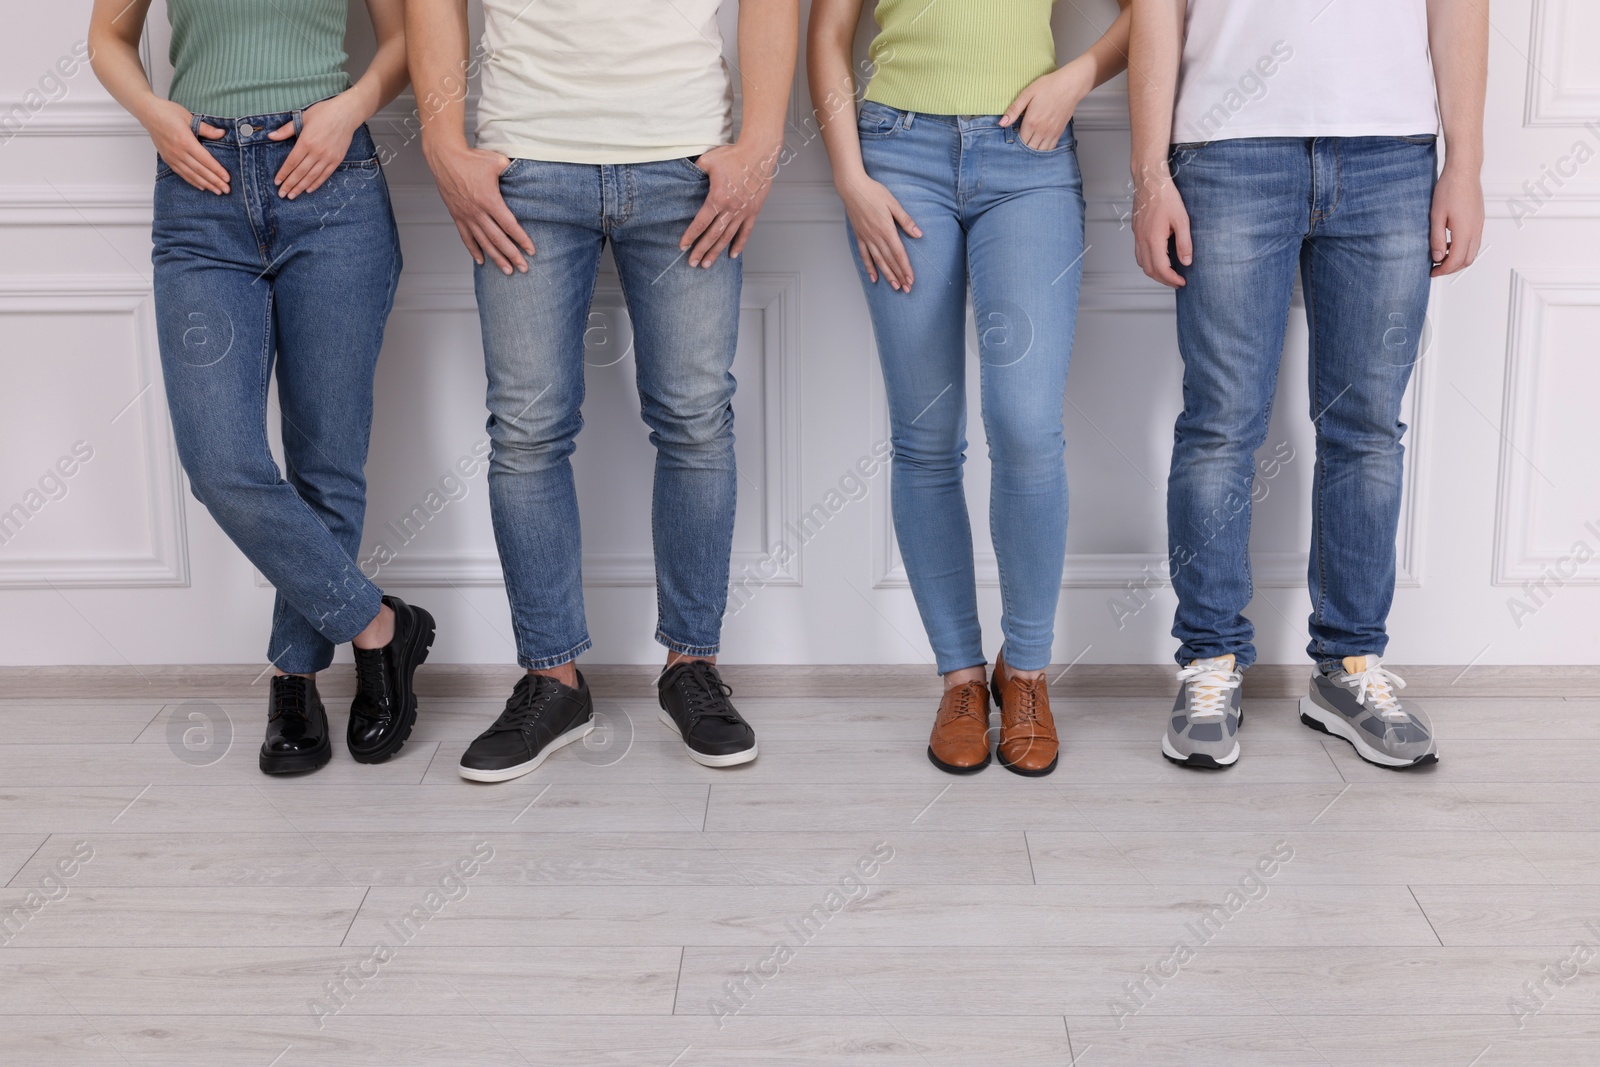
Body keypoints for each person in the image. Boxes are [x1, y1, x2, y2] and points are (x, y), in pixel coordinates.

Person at [408, 0, 799, 782]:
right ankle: (552, 681)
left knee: (694, 420)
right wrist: (442, 141)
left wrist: (760, 141)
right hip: (525, 164)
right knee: (525, 432)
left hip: (686, 160)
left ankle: (693, 665)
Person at [1129, 0, 1486, 769]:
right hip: (1226, 146)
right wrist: (1149, 174)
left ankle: (1349, 668)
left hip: (1390, 148)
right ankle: (1210, 663)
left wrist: (1464, 163)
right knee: (1220, 422)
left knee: (1366, 427)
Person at [89, 0, 435, 776]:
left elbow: (408, 40)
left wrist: (349, 108)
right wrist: (155, 114)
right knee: (221, 460)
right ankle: (378, 625)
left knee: (327, 463)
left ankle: (295, 680)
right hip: (199, 189)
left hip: (331, 183)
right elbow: (107, 37)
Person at [810, 0, 1133, 777]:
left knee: (1025, 425)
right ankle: (960, 676)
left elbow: (1151, 12)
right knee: (925, 435)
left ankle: (1022, 671)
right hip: (897, 152)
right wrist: (850, 176)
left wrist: (1078, 76)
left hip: (1030, 152)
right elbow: (827, 34)